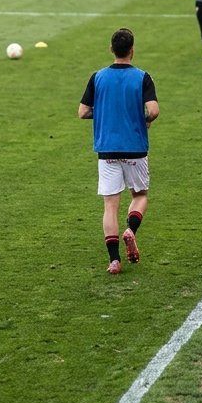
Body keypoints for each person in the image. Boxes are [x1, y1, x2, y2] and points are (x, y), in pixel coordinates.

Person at [79, 28, 159, 275]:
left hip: (107, 149)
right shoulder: (142, 77)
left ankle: (114, 261)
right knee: (140, 195)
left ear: (111, 49)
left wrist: (101, 113)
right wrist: (144, 119)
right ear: (132, 50)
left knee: (110, 205)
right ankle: (130, 230)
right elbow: (154, 110)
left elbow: (82, 111)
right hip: (135, 147)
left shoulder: (97, 77)